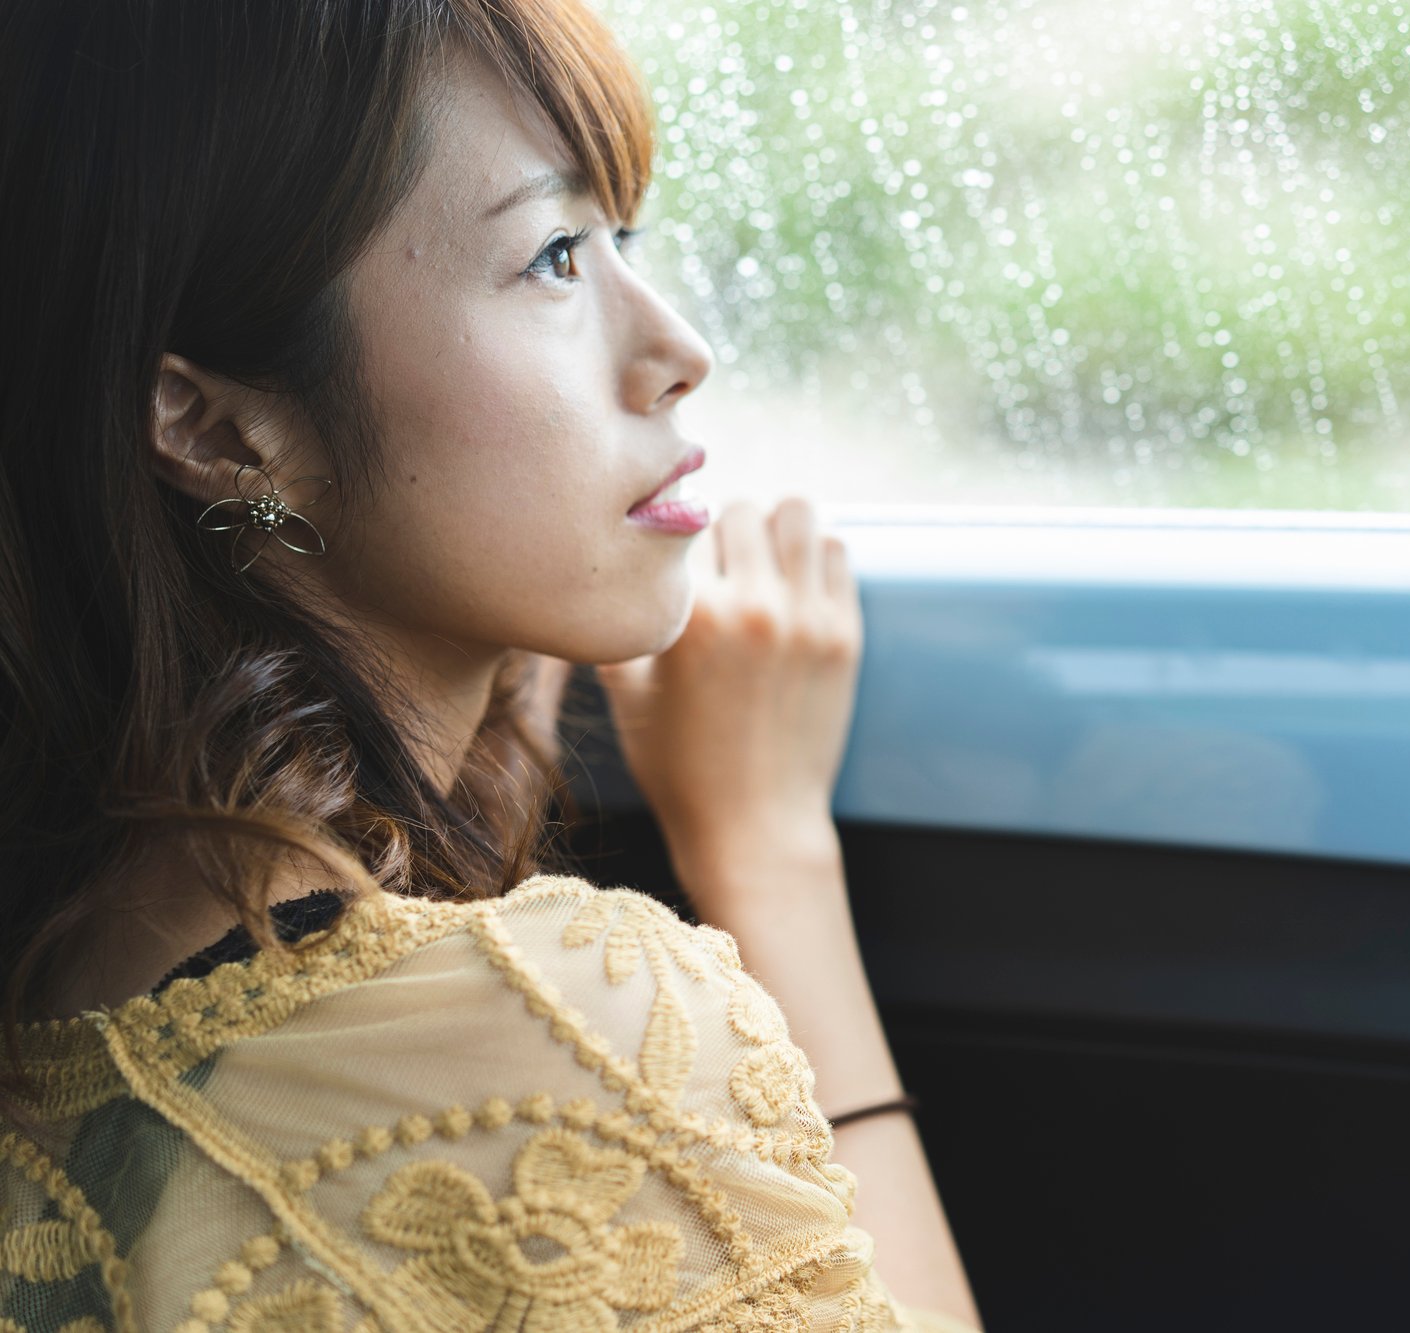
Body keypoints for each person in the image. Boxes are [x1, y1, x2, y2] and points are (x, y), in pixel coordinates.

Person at [0, 1, 982, 1329]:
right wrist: (768, 853)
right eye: (555, 256)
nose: (679, 351)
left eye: (621, 237)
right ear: (218, 424)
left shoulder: (81, 979)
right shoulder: (542, 1040)